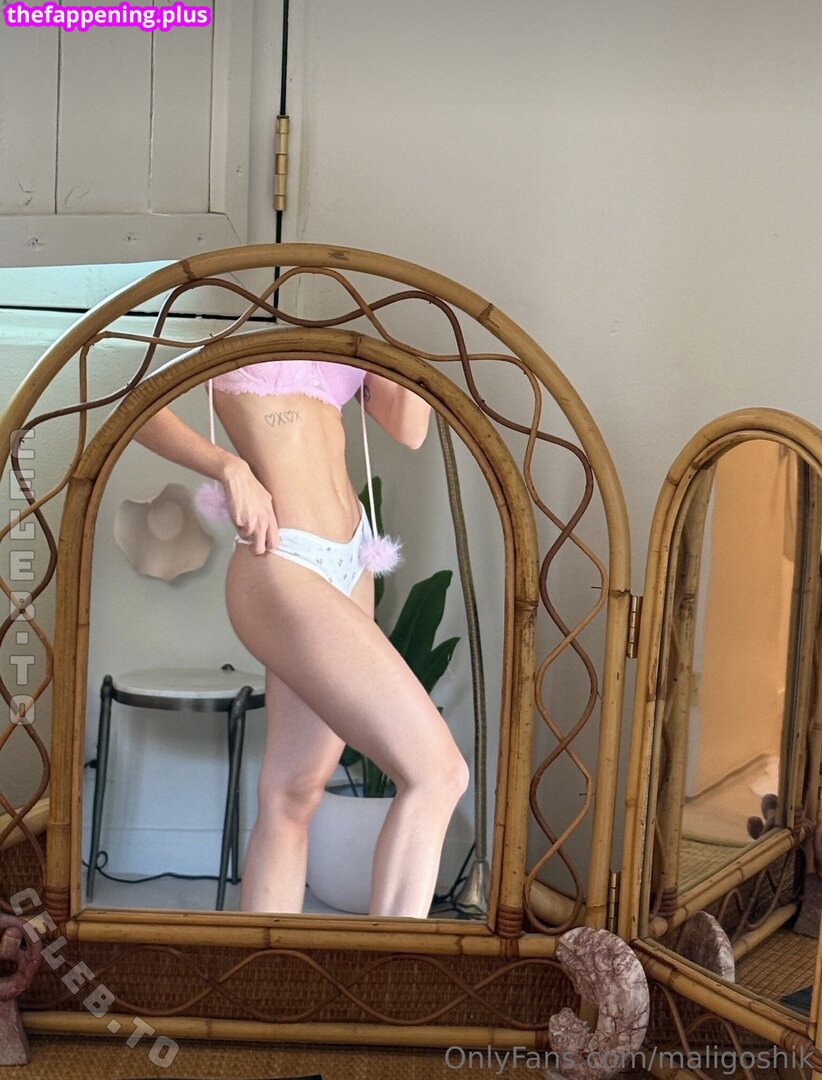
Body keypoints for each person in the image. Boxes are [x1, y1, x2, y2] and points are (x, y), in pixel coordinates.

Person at [132, 356, 470, 918]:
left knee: (293, 794)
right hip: (283, 558)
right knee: (440, 773)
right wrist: (229, 468)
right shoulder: (236, 327)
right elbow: (136, 405)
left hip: (352, 562)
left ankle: (262, 970)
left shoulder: (347, 328)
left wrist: (398, 343)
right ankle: (390, 968)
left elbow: (409, 430)